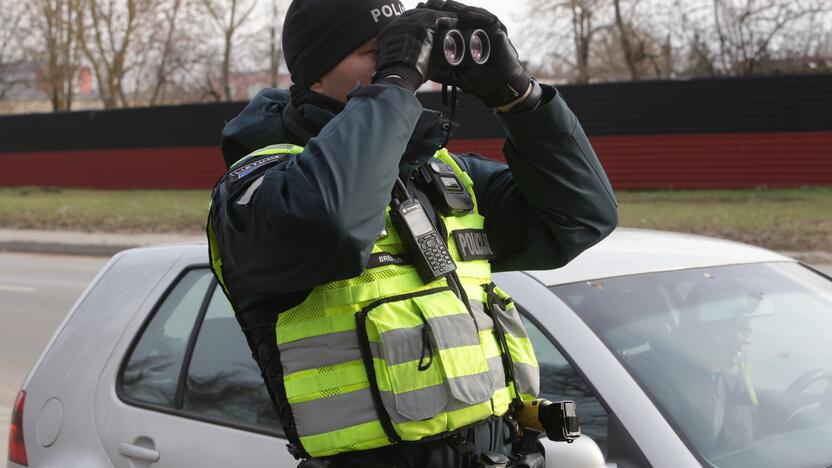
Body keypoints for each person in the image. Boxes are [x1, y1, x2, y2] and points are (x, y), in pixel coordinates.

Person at [207, 0, 618, 466]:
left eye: (399, 48)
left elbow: (580, 218)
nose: (397, 63)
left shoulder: (439, 176)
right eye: (374, 52)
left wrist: (519, 97)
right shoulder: (259, 185)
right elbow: (330, 224)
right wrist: (397, 81)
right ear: (316, 76)